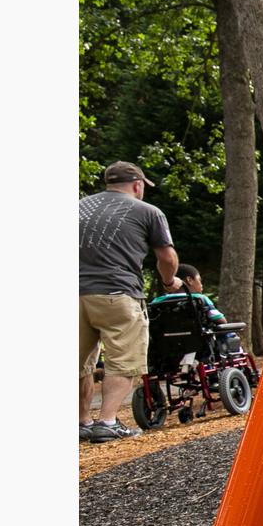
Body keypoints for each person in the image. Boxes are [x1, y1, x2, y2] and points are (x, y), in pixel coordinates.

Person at [80, 161, 180, 443]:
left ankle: (81, 421)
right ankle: (108, 421)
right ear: (138, 185)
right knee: (124, 360)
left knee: (79, 363)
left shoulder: (77, 208)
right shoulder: (148, 211)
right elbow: (167, 258)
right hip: (118, 294)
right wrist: (169, 281)